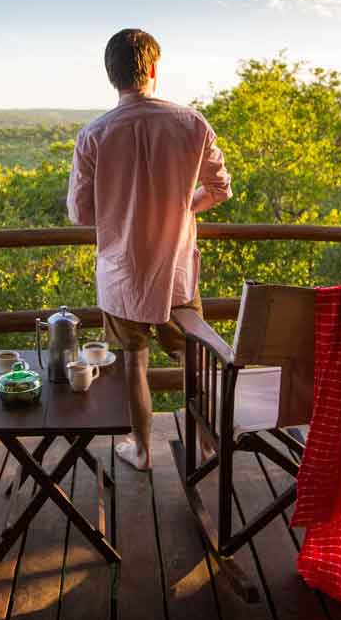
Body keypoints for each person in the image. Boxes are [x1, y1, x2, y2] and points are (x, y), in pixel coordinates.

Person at [67, 28, 232, 471]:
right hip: (176, 268)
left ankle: (141, 452)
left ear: (111, 77)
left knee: (133, 364)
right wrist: (183, 208)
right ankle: (208, 442)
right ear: (154, 69)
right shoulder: (192, 123)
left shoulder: (94, 134)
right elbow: (220, 188)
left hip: (122, 275)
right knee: (190, 357)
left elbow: (81, 213)